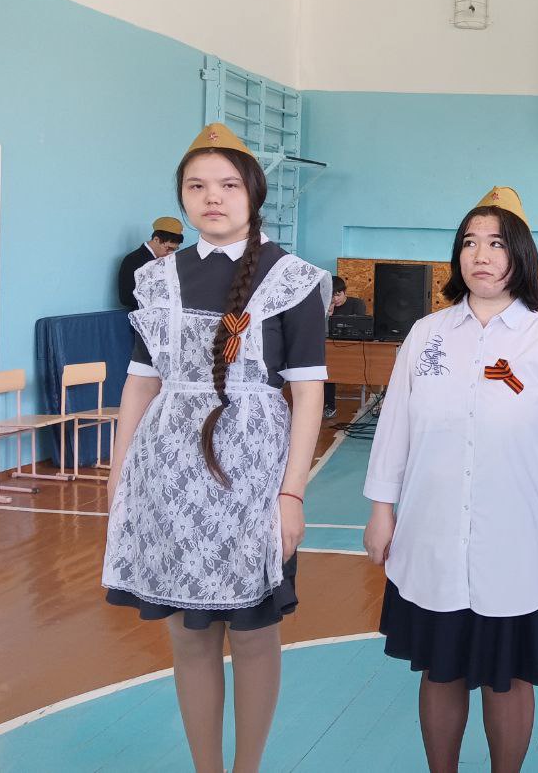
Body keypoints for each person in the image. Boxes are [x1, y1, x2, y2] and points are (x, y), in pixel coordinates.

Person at [103, 122, 330, 773]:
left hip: (255, 479)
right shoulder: (158, 280)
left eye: (228, 185)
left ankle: (246, 767)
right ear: (181, 195)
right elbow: (140, 385)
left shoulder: (292, 279)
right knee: (187, 635)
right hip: (169, 476)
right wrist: (120, 481)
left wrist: (292, 494)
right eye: (197, 185)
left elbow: (308, 394)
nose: (212, 197)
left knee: (255, 634)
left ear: (253, 193)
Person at [363, 185, 538, 773]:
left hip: (518, 541)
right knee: (440, 669)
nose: (481, 255)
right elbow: (395, 429)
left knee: (509, 675)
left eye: (496, 243)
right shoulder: (427, 336)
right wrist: (381, 511)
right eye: (470, 243)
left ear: (520, 255)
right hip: (433, 534)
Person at [117, 216, 184, 310]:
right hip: (144, 315)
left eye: (174, 249)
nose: (170, 253)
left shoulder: (168, 260)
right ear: (156, 239)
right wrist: (160, 303)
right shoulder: (132, 260)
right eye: (168, 248)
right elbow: (126, 298)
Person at [323, 275, 367, 418]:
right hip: (332, 350)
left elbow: (359, 328)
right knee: (327, 368)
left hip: (353, 349)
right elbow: (323, 332)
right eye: (332, 296)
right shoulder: (326, 306)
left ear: (344, 292)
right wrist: (328, 314)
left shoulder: (357, 304)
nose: (335, 299)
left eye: (338, 295)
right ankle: (329, 406)